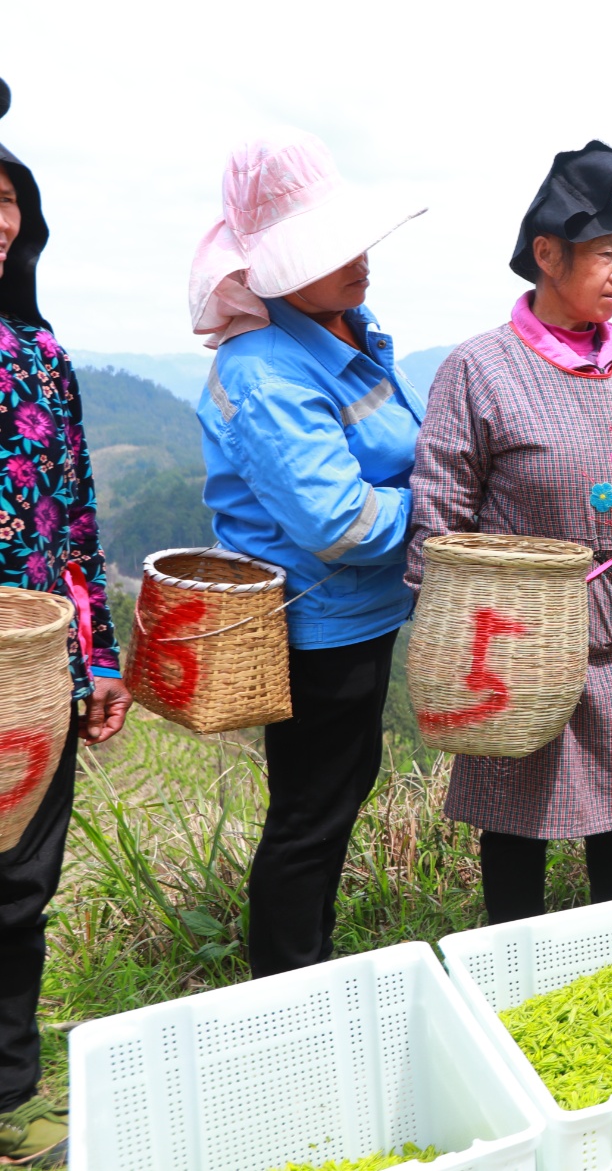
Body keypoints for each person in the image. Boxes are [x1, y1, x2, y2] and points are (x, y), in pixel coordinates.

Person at [408, 142, 612, 923]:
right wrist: (448, 628)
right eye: (604, 254)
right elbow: (440, 502)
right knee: (520, 804)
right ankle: (514, 959)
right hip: (523, 631)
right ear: (547, 255)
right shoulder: (481, 368)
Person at [192, 131, 426, 975]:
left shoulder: (344, 334)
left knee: (333, 797)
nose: (358, 261)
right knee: (310, 815)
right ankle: (286, 988)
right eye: (329, 250)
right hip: (320, 623)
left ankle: (306, 966)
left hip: (361, 614)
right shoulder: (267, 370)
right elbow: (341, 523)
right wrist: (439, 512)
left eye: (355, 241)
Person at [0, 78, 129, 1163]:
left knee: (19, 884)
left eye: (11, 202)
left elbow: (75, 524)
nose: (2, 219)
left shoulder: (40, 357)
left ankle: (12, 1094)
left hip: (30, 672)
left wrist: (99, 658)